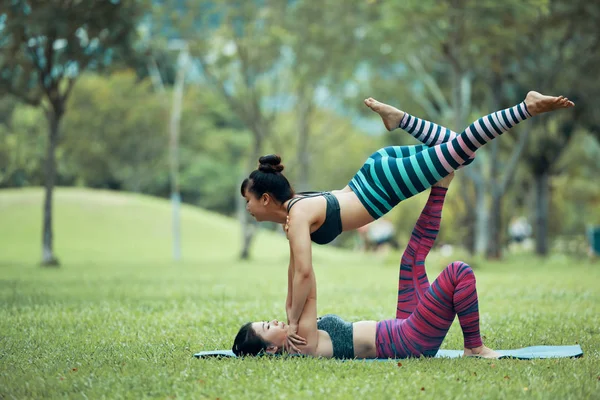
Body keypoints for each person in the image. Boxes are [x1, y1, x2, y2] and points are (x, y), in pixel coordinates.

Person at [240, 91, 574, 350]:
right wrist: (288, 308)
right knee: (460, 152)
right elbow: (294, 272)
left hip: (383, 184)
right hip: (375, 172)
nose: (248, 209)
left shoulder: (297, 215)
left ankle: (526, 107)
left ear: (266, 199)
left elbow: (303, 273)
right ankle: (400, 119)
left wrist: (293, 318)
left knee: (463, 149)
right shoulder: (296, 213)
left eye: (248, 201)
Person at [233, 173, 500, 359]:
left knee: (410, 260)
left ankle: (440, 186)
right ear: (270, 350)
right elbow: (306, 277)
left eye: (268, 321)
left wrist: (294, 232)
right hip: (410, 340)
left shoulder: (294, 328)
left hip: (402, 327)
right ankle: (474, 348)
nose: (275, 322)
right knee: (459, 272)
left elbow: (295, 279)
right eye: (269, 327)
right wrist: (297, 234)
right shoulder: (299, 343)